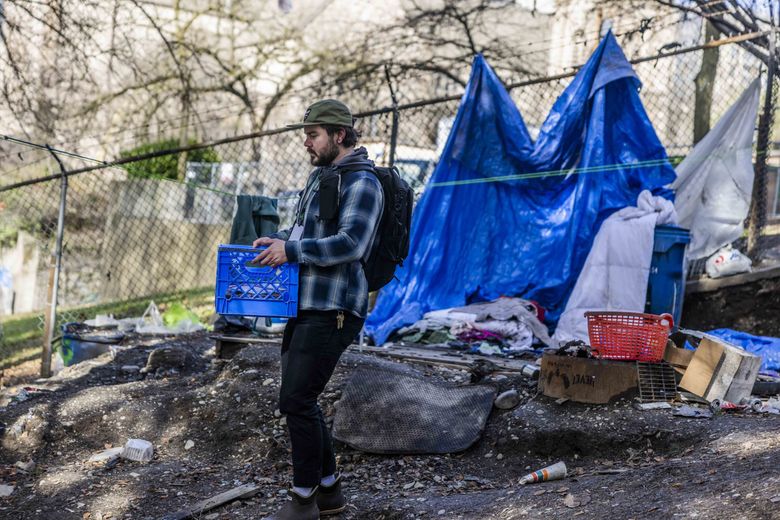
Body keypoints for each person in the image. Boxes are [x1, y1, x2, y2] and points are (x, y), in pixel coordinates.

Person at [255, 99, 384, 520]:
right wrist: (277, 240)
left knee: (296, 400)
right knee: (300, 400)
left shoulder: (363, 183)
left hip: (335, 308)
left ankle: (303, 499)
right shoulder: (323, 178)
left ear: (339, 135)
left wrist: (290, 251)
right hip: (305, 303)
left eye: (313, 135)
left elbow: (352, 244)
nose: (306, 143)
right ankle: (330, 493)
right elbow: (305, 233)